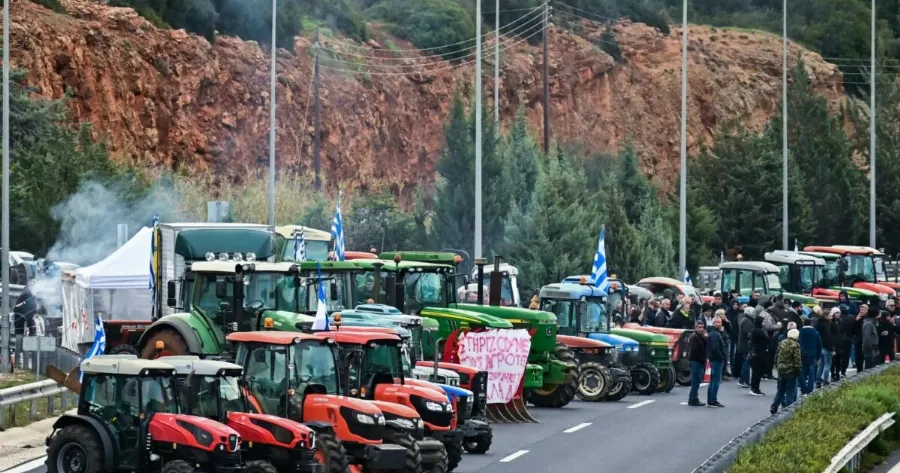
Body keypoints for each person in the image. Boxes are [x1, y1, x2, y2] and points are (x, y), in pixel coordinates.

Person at [770, 328, 801, 415]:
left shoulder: (782, 343)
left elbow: (776, 356)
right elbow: (797, 360)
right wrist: (798, 371)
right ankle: (788, 410)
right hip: (790, 371)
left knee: (781, 389)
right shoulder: (796, 345)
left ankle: (774, 406)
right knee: (790, 391)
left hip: (781, 370)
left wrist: (777, 366)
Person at [687, 320, 709, 407]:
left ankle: (693, 398)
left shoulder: (701, 336)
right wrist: (703, 359)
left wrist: (706, 337)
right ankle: (693, 399)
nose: (701, 329)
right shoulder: (694, 337)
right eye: (699, 327)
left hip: (699, 360)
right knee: (695, 381)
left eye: (702, 327)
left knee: (697, 381)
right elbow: (695, 351)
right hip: (696, 361)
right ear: (695, 327)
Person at [798, 318, 822, 395]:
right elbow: (819, 345)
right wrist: (818, 357)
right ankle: (810, 390)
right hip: (813, 355)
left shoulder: (800, 332)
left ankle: (803, 389)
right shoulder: (815, 333)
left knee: (802, 373)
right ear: (811, 324)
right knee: (811, 374)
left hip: (802, 354)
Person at [707, 317, 726, 407]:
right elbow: (715, 348)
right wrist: (722, 356)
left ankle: (710, 399)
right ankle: (713, 400)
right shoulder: (714, 334)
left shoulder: (714, 333)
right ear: (713, 323)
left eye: (720, 322)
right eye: (717, 322)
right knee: (715, 381)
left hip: (714, 359)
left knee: (713, 380)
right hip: (716, 359)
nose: (719, 324)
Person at [816, 307, 837, 388]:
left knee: (821, 364)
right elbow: (828, 337)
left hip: (820, 347)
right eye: (830, 316)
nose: (832, 317)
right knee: (827, 364)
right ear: (826, 316)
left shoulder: (819, 323)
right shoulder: (827, 324)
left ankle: (818, 380)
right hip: (826, 347)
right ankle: (825, 381)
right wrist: (832, 349)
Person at [736, 304, 756, 388]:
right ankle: (746, 380)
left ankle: (742, 380)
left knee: (746, 362)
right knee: (746, 362)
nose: (754, 313)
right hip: (745, 345)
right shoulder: (747, 321)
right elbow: (749, 334)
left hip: (743, 344)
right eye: (753, 312)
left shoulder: (746, 319)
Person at [749, 315, 769, 396]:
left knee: (755, 372)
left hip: (755, 352)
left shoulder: (754, 330)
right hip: (759, 353)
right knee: (757, 372)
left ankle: (754, 387)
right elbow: (767, 340)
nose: (764, 323)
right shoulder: (759, 331)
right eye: (763, 322)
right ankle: (755, 388)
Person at [726, 298, 742, 375]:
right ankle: (731, 368)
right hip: (730, 335)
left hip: (737, 335)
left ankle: (735, 369)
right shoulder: (728, 313)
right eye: (734, 304)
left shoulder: (739, 313)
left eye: (737, 304)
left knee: (735, 352)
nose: (735, 306)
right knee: (731, 353)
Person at [854, 303, 870, 370]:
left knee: (867, 356)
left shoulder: (869, 317)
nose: (861, 311)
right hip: (859, 340)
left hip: (867, 340)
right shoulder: (857, 317)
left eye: (863, 309)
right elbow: (853, 329)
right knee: (858, 356)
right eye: (860, 309)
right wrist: (856, 321)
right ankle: (859, 369)